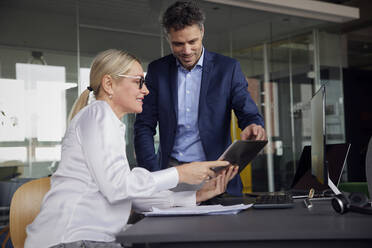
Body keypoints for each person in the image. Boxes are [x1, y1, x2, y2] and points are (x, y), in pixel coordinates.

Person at [24, 49, 236, 248]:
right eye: (139, 82)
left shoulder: (106, 122)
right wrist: (180, 174)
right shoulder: (99, 114)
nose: (146, 90)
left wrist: (196, 196)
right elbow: (119, 187)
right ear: (109, 84)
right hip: (70, 240)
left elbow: (130, 194)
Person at [134, 1, 266, 196]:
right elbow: (144, 125)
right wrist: (153, 175)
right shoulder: (157, 70)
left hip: (216, 174)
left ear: (202, 32)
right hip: (172, 176)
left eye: (192, 42)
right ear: (168, 38)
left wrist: (253, 124)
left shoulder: (227, 69)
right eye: (178, 44)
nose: (186, 51)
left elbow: (247, 113)